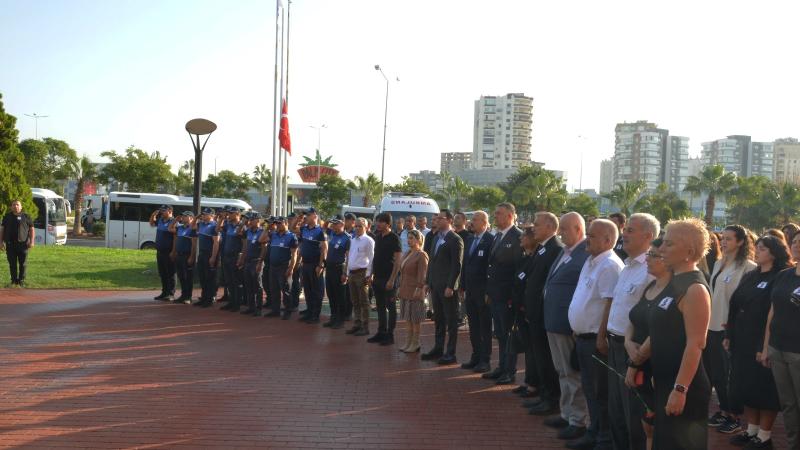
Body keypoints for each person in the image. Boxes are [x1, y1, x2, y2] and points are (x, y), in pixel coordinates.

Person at [637, 218, 712, 450]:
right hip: (664, 379)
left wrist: (680, 390)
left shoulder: (694, 289)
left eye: (669, 244)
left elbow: (696, 344)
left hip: (684, 386)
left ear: (688, 252)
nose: (661, 249)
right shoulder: (673, 282)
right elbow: (659, 330)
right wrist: (635, 362)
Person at [726, 235, 790, 449]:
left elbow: (774, 312)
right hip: (741, 339)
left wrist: (763, 347)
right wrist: (729, 335)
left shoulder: (779, 276)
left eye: (762, 248)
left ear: (773, 252)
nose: (757, 251)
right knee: (746, 387)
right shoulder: (751, 275)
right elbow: (735, 305)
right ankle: (751, 430)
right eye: (757, 247)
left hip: (761, 340)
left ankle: (764, 435)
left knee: (764, 389)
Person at [567, 218, 624, 450]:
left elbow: (610, 304)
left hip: (595, 340)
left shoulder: (610, 264)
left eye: (591, 235)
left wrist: (601, 337)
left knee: (600, 392)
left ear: (607, 240)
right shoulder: (592, 261)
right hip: (583, 336)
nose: (586, 239)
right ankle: (594, 431)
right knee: (590, 389)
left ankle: (604, 438)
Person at [606, 213, 660, 450]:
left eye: (630, 230)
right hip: (615, 344)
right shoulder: (628, 265)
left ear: (648, 236)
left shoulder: (650, 269)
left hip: (634, 350)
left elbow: (647, 315)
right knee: (616, 407)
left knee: (634, 412)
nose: (624, 234)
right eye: (625, 229)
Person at [541, 211, 591, 442]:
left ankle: (577, 420)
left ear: (578, 229)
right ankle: (566, 413)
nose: (560, 233)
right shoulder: (566, 252)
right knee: (562, 371)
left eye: (564, 229)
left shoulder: (584, 255)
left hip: (566, 325)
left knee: (572, 374)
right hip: (554, 322)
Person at [707, 225, 756, 433]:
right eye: (723, 238)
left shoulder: (748, 267)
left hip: (729, 327)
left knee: (729, 374)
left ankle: (734, 416)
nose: (723, 242)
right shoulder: (718, 263)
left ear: (741, 242)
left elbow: (746, 302)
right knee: (716, 373)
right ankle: (724, 409)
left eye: (729, 239)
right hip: (711, 324)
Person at [625, 239, 668, 450]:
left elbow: (659, 328)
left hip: (654, 363)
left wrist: (636, 360)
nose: (648, 259)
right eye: (648, 254)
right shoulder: (651, 285)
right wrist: (627, 342)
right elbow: (634, 317)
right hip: (637, 357)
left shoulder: (672, 291)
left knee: (654, 422)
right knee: (645, 422)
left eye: (654, 255)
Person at [521, 212, 565, 416]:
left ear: (549, 226)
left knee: (546, 358)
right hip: (533, 312)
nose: (533, 228)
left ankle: (551, 398)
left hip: (542, 313)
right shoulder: (543, 248)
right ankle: (544, 394)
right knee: (539, 356)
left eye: (537, 225)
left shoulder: (555, 248)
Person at [761, 232, 800, 450]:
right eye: (794, 242)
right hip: (778, 349)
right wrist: (766, 347)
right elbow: (772, 312)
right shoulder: (784, 275)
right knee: (788, 406)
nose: (796, 245)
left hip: (798, 352)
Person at [482, 202, 524, 385]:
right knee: (499, 333)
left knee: (508, 334)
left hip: (507, 296)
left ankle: (509, 370)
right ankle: (501, 366)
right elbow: (492, 267)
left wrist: (512, 296)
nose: (495, 216)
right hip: (495, 294)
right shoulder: (497, 236)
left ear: (509, 216)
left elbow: (517, 269)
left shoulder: (517, 237)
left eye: (498, 213)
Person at [421, 209, 464, 364]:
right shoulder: (435, 238)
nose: (436, 221)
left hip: (447, 288)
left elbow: (456, 265)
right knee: (438, 319)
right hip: (435, 285)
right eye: (436, 219)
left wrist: (451, 286)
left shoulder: (455, 239)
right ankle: (438, 349)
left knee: (451, 321)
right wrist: (427, 282)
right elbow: (431, 262)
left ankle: (450, 353)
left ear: (449, 220)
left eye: (440, 218)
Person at [460, 211, 495, 373]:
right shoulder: (469, 239)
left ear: (484, 222)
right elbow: (465, 265)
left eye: (475, 219)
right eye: (472, 219)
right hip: (470, 291)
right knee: (473, 325)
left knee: (484, 326)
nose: (471, 222)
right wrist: (462, 286)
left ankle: (485, 359)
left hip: (483, 292)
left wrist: (488, 291)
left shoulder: (490, 240)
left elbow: (491, 268)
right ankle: (475, 355)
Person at [368, 212, 402, 346]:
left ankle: (390, 335)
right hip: (378, 278)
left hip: (389, 279)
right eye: (377, 221)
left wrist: (392, 279)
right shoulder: (378, 237)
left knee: (391, 307)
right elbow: (375, 258)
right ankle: (381, 332)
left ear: (388, 224)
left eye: (381, 222)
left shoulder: (394, 238)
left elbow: (398, 260)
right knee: (380, 306)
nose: (378, 224)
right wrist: (371, 274)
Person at [397, 229, 429, 353]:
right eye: (408, 238)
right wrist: (399, 287)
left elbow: (423, 274)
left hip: (415, 290)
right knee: (407, 318)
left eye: (412, 238)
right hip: (405, 289)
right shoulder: (407, 253)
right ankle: (408, 341)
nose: (409, 240)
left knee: (415, 318)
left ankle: (416, 343)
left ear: (419, 240)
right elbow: (402, 273)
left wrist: (419, 288)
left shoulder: (421, 254)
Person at [344, 218, 374, 336]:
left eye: (360, 226)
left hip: (362, 273)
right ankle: (357, 324)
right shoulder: (352, 240)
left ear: (366, 227)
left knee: (364, 302)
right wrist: (346, 272)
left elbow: (371, 259)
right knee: (354, 301)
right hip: (352, 273)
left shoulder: (369, 240)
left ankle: (365, 327)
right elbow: (349, 257)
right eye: (356, 226)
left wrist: (369, 275)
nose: (357, 228)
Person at [298, 208, 328, 324]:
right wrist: (299, 260)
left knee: (317, 290)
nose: (306, 217)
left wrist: (320, 265)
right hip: (305, 264)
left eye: (308, 215)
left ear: (315, 216)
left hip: (315, 264)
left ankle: (315, 315)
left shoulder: (320, 231)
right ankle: (309, 312)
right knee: (308, 290)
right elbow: (302, 246)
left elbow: (324, 249)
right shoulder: (304, 229)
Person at [266, 216, 298, 319]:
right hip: (273, 266)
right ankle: (275, 310)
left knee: (285, 290)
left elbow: (294, 255)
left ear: (285, 223)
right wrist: (268, 227)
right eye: (277, 223)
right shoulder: (273, 235)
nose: (278, 225)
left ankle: (288, 311)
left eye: (280, 223)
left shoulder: (291, 236)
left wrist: (291, 268)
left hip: (284, 266)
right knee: (274, 289)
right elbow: (261, 239)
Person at [0, 199, 34, 287]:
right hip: (10, 244)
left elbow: (31, 229)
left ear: (21, 207)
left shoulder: (26, 217)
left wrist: (32, 241)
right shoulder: (7, 217)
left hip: (23, 244)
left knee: (23, 264)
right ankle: (14, 281)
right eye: (14, 205)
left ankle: (21, 280)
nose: (16, 206)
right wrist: (1, 242)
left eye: (17, 205)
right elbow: (2, 230)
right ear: (11, 207)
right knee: (12, 264)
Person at [324, 215, 350, 328]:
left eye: (336, 223)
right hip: (329, 268)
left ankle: (340, 320)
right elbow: (324, 227)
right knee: (331, 294)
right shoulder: (332, 234)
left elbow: (349, 257)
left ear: (342, 224)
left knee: (340, 295)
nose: (333, 226)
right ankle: (333, 317)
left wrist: (345, 273)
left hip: (339, 268)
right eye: (333, 224)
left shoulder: (347, 238)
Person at [239, 212, 266, 316]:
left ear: (258, 221)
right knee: (248, 285)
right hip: (248, 262)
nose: (249, 221)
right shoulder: (248, 231)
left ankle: (258, 308)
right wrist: (241, 259)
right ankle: (251, 307)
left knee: (257, 286)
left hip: (256, 261)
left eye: (252, 219)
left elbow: (264, 249)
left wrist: (260, 262)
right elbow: (245, 247)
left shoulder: (262, 232)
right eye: (249, 219)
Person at [219, 208, 244, 311]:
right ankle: (231, 301)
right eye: (228, 213)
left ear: (237, 214)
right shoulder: (228, 225)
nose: (228, 215)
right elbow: (218, 229)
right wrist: (222, 218)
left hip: (235, 257)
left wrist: (241, 258)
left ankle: (237, 303)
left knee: (236, 281)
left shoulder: (242, 226)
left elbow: (244, 244)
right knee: (229, 281)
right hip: (227, 256)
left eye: (231, 213)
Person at [194, 207, 220, 307]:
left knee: (210, 278)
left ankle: (209, 299)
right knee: (202, 277)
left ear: (212, 215)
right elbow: (192, 227)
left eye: (206, 214)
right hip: (202, 253)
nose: (203, 216)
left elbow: (216, 243)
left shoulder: (214, 226)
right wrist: (196, 217)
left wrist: (213, 257)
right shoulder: (201, 224)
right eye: (203, 214)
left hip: (210, 254)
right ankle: (204, 297)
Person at [169, 211, 197, 304]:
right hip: (179, 255)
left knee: (188, 277)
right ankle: (183, 295)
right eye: (183, 216)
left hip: (187, 255)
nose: (183, 217)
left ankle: (188, 297)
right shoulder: (180, 227)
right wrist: (175, 220)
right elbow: (170, 229)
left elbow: (194, 245)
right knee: (181, 276)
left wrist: (192, 257)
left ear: (191, 218)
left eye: (186, 216)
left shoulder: (192, 228)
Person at [150, 205, 176, 301]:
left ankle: (171, 294)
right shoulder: (161, 220)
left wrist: (173, 251)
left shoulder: (174, 222)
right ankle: (164, 292)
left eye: (163, 211)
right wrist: (153, 215)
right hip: (160, 251)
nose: (161, 212)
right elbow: (152, 223)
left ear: (169, 211)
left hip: (169, 251)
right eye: (161, 210)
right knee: (163, 273)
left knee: (170, 273)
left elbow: (175, 238)